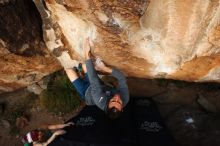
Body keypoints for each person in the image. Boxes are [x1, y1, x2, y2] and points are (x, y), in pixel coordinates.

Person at [65, 38, 129, 119]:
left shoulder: (100, 101)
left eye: (113, 100)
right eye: (119, 102)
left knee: (69, 70)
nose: (117, 98)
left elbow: (94, 80)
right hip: (100, 85)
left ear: (108, 104)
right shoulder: (125, 98)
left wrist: (86, 52)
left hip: (86, 92)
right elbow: (122, 79)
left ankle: (78, 70)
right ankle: (81, 70)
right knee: (85, 66)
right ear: (122, 108)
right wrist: (105, 68)